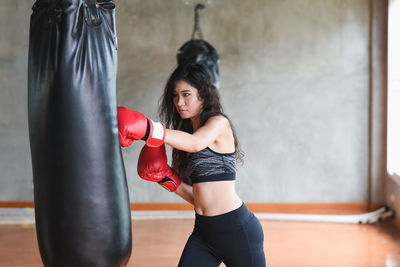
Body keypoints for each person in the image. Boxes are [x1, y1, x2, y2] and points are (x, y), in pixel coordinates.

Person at [117, 63, 266, 267]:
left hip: (237, 230)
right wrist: (167, 180)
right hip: (204, 232)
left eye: (186, 94)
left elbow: (196, 144)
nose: (179, 102)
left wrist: (149, 130)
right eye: (175, 95)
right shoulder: (186, 136)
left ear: (203, 95)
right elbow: (199, 197)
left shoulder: (218, 123)